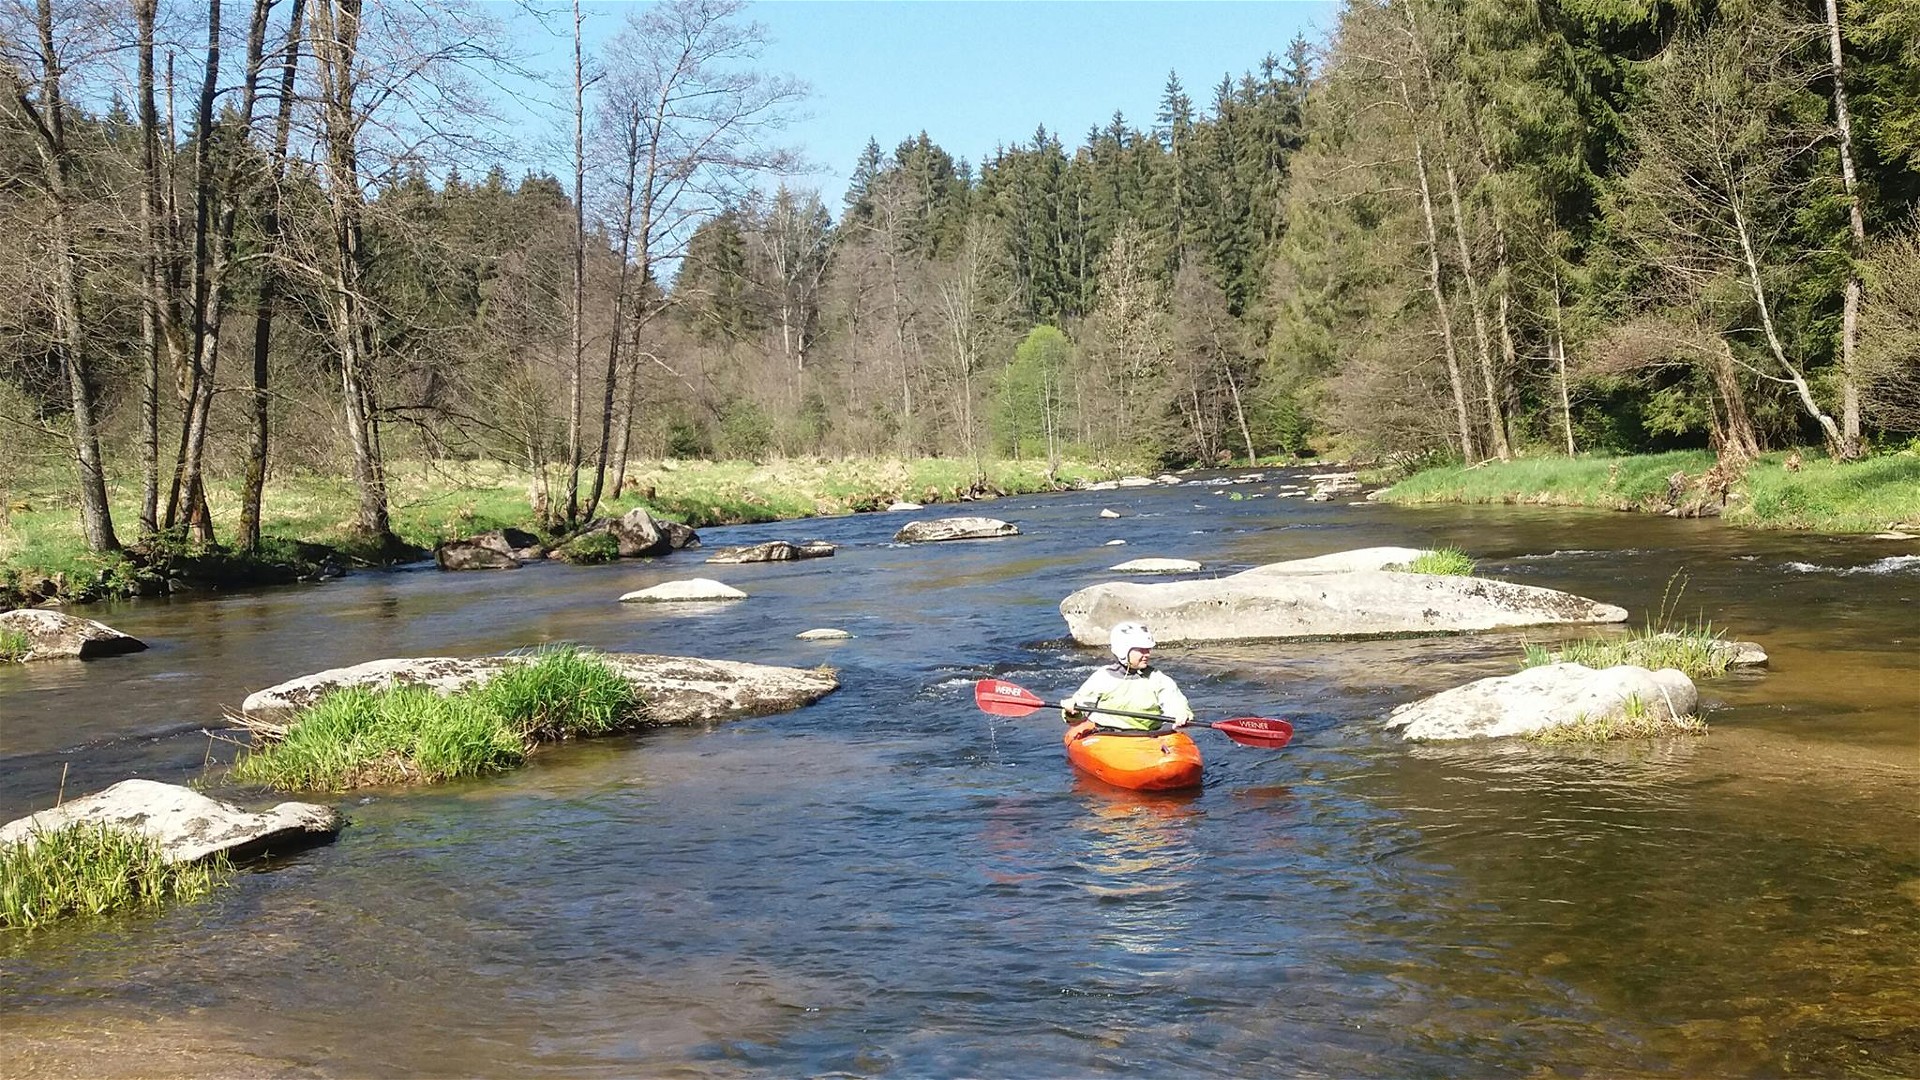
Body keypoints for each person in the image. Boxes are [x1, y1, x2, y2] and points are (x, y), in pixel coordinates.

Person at [1061, 622, 1194, 731]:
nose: (1147, 654)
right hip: (1106, 735)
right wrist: (1072, 711)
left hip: (1149, 736)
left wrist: (1181, 714)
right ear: (1123, 651)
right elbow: (1079, 711)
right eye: (1141, 650)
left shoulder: (1158, 679)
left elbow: (1174, 702)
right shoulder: (1102, 677)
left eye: (1148, 649)